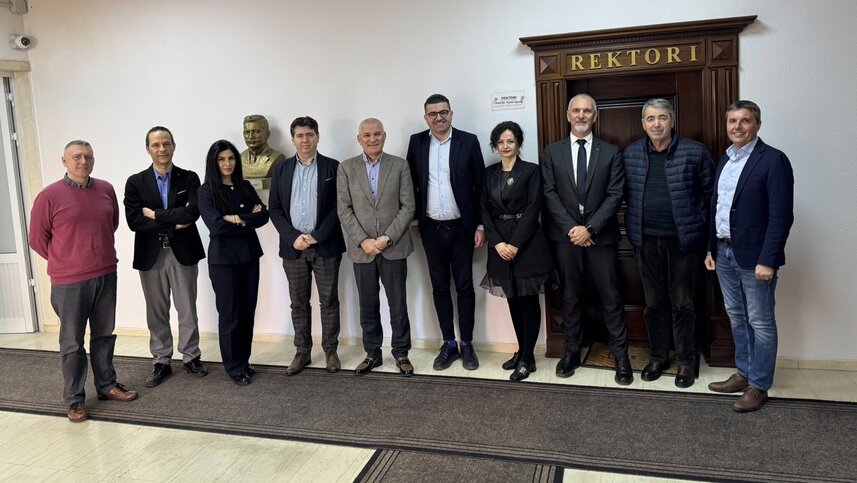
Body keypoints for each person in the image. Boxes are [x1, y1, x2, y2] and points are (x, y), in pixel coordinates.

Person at [29, 140, 138, 422]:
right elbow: (37, 239)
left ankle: (106, 385)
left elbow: (111, 224)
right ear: (64, 161)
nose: (83, 162)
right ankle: (75, 399)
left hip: (106, 274)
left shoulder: (106, 189)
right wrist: (66, 259)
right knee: (72, 342)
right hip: (69, 282)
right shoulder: (48, 196)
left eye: (88, 157)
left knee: (104, 334)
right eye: (77, 157)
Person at [705, 100, 794, 412]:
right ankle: (743, 373)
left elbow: (781, 216)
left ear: (757, 124)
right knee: (736, 316)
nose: (737, 127)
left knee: (760, 321)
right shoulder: (726, 159)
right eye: (732, 121)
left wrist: (768, 259)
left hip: (756, 257)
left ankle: (759, 385)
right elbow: (718, 207)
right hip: (723, 252)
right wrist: (711, 248)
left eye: (745, 121)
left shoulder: (773, 160)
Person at [623, 98, 714, 388]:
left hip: (683, 243)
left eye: (662, 117)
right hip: (646, 241)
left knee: (683, 303)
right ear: (643, 124)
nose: (657, 124)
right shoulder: (631, 153)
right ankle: (658, 356)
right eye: (650, 119)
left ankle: (686, 360)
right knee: (654, 304)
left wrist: (706, 237)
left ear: (672, 121)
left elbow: (711, 197)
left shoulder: (695, 151)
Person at [541, 93, 632, 385]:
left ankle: (621, 355)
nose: (581, 115)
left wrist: (589, 229)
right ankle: (571, 352)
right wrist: (574, 229)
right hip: (566, 239)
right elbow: (549, 194)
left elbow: (616, 194)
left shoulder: (611, 152)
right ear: (568, 115)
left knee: (611, 297)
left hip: (601, 238)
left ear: (595, 116)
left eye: (587, 111)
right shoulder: (552, 152)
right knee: (570, 297)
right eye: (577, 110)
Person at [406, 94, 485, 371]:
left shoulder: (469, 141)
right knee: (439, 287)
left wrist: (480, 225)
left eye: (443, 112)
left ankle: (468, 344)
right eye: (433, 114)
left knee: (464, 287)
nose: (439, 118)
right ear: (426, 117)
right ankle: (449, 343)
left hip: (462, 228)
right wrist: (415, 222)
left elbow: (480, 185)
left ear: (451, 113)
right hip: (430, 228)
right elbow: (411, 184)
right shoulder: (417, 142)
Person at [124, 126, 207, 388]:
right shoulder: (135, 182)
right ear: (148, 149)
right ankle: (161, 360)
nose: (162, 149)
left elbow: (192, 214)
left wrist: (155, 215)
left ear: (173, 146)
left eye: (166, 143)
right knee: (156, 310)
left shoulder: (189, 178)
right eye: (156, 144)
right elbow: (134, 221)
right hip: (151, 255)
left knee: (187, 308)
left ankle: (191, 356)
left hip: (183, 252)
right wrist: (173, 222)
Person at [337, 118, 416, 376]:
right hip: (362, 250)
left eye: (377, 134)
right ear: (359, 139)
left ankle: (401, 352)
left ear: (385, 136)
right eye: (367, 135)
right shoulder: (346, 168)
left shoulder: (400, 165)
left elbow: (408, 207)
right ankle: (372, 353)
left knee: (398, 304)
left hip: (394, 247)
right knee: (368, 305)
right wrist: (363, 240)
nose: (373, 139)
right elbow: (343, 209)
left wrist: (386, 238)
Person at [269, 116, 346, 375]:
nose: (305, 140)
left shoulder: (333, 167)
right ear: (293, 139)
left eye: (310, 135)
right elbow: (275, 208)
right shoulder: (281, 169)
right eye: (300, 136)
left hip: (325, 245)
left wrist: (316, 235)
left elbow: (339, 206)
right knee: (298, 302)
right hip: (293, 247)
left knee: (329, 300)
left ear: (317, 137)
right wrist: (293, 236)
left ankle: (330, 350)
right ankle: (302, 351)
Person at [480, 122, 553, 381]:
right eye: (500, 142)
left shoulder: (531, 171)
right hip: (499, 244)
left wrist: (515, 244)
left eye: (510, 141)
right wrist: (497, 243)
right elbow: (484, 210)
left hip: (527, 244)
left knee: (528, 301)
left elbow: (534, 209)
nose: (505, 146)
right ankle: (522, 351)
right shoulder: (489, 173)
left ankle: (527, 358)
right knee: (512, 299)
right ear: (495, 145)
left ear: (518, 143)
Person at [198, 140, 270, 386]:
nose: (227, 163)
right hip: (223, 261)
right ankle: (234, 366)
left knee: (247, 311)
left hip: (249, 256)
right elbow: (216, 226)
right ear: (214, 163)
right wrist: (247, 219)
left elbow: (264, 215)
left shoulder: (244, 186)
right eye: (221, 159)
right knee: (230, 314)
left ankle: (244, 360)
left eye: (231, 158)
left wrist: (236, 218)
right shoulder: (206, 191)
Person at [241, 114, 286, 179]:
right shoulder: (239, 158)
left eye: (256, 132)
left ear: (267, 134)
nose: (250, 136)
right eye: (247, 132)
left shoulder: (278, 158)